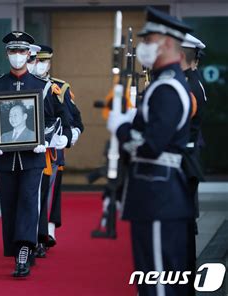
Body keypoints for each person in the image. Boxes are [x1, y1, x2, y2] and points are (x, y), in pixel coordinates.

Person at [107, 7, 194, 295]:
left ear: (168, 43)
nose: (144, 46)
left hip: (159, 194)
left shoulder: (166, 88)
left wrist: (120, 128)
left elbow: (151, 146)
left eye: (149, 39)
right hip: (155, 193)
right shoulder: (162, 84)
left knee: (158, 281)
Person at [0, 31, 71, 278]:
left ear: (29, 54)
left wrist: (45, 139)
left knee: (29, 201)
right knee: (9, 202)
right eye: (13, 51)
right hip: (5, 156)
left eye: (22, 51)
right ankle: (16, 247)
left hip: (33, 156)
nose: (17, 56)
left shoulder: (42, 86)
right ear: (7, 54)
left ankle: (24, 248)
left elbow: (54, 118)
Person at [34, 44, 84, 251]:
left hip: (50, 151)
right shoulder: (22, 85)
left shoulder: (59, 88)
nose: (38, 65)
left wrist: (69, 136)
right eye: (34, 60)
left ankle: (43, 234)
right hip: (25, 150)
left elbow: (75, 121)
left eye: (42, 61)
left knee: (46, 195)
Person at [181, 33, 208, 295]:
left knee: (182, 226)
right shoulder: (189, 82)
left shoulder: (188, 86)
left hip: (182, 163)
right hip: (186, 161)